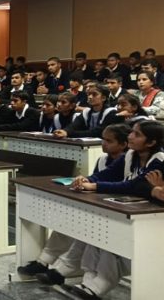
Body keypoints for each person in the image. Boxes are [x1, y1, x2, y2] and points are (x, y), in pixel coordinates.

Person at [17, 124, 131, 285]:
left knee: (85, 227)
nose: (103, 143)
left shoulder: (127, 161)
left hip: (114, 209)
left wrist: (91, 184)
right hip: (97, 204)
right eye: (103, 139)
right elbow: (95, 178)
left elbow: (115, 184)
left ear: (123, 144)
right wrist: (84, 181)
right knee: (68, 221)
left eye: (109, 141)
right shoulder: (102, 159)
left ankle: (64, 269)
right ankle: (44, 261)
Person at [64, 121, 164, 299]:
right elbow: (108, 174)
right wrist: (86, 178)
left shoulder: (160, 160)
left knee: (114, 238)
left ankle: (100, 284)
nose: (130, 136)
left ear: (151, 142)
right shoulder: (130, 155)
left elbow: (133, 185)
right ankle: (89, 281)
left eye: (137, 134)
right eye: (131, 132)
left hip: (154, 218)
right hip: (135, 210)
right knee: (98, 232)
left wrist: (94, 186)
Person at [54, 85, 123, 139]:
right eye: (89, 94)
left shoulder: (112, 112)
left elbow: (97, 133)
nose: (90, 97)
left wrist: (69, 133)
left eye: (94, 94)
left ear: (103, 98)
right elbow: (74, 125)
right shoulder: (86, 112)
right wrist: (64, 131)